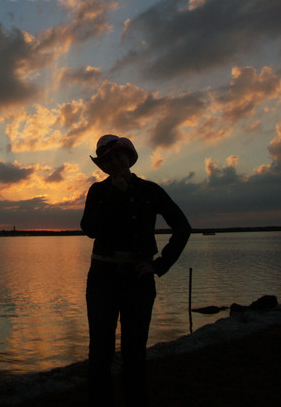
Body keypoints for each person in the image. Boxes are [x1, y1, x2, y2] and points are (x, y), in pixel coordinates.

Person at [81, 134, 191, 406]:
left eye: (119, 156)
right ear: (103, 166)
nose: (114, 162)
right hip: (102, 278)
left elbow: (182, 227)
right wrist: (112, 195)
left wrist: (158, 265)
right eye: (107, 160)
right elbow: (90, 229)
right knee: (100, 353)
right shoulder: (98, 192)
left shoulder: (150, 191)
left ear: (129, 157)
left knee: (134, 353)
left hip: (138, 279)